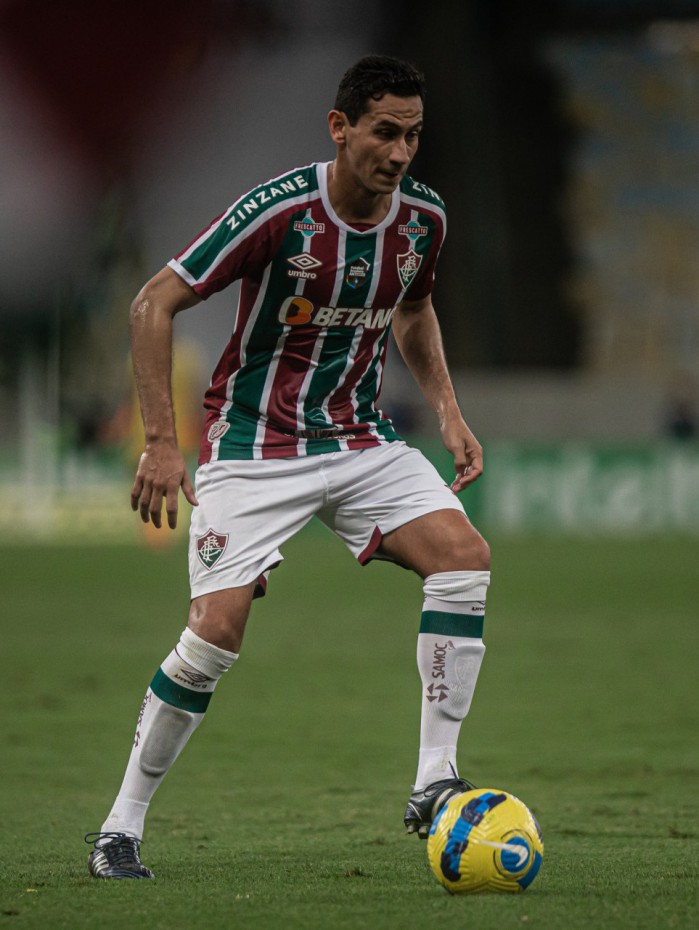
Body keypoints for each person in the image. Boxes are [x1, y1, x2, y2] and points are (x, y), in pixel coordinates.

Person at [85, 54, 491, 879]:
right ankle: (119, 829)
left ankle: (433, 779)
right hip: (253, 447)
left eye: (413, 136)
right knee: (213, 637)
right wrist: (162, 442)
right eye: (384, 132)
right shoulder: (278, 212)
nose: (401, 152)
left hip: (357, 438)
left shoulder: (423, 221)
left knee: (463, 559)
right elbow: (152, 302)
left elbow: (413, 308)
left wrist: (447, 411)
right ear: (340, 129)